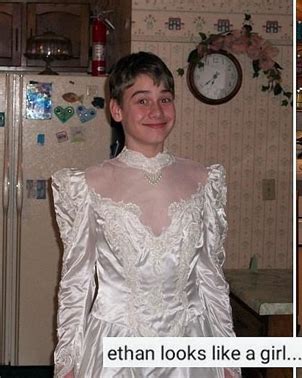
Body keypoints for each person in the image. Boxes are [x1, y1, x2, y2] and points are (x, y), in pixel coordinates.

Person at [52, 51, 240, 378]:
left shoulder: (203, 180)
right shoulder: (86, 186)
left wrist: (227, 354)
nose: (156, 111)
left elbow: (211, 276)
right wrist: (68, 359)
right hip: (114, 350)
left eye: (165, 99)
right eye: (142, 100)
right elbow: (76, 283)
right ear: (116, 109)